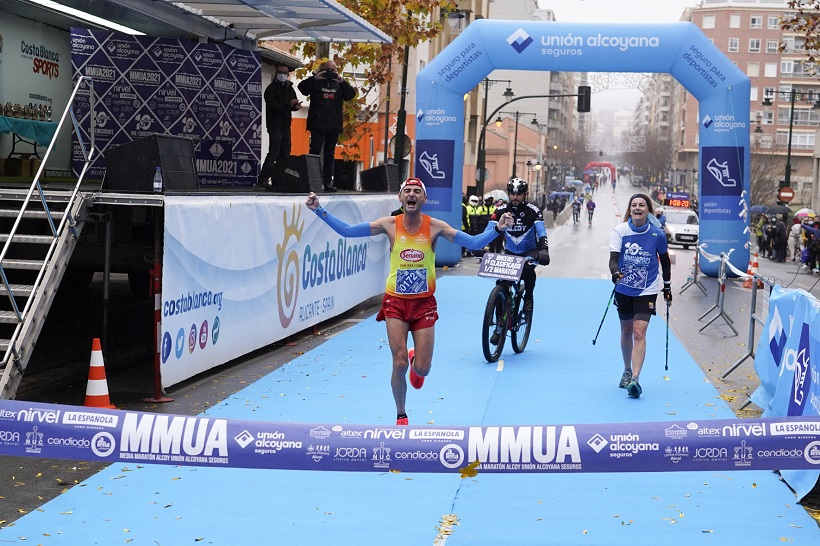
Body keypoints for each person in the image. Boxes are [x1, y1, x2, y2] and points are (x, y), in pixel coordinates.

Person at [305, 178, 513, 425]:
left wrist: (496, 229)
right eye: (407, 191)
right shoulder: (389, 225)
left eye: (417, 191)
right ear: (401, 198)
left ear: (424, 199)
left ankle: (417, 360)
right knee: (399, 361)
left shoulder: (435, 227)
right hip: (396, 303)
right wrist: (319, 210)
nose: (412, 194)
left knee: (422, 369)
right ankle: (401, 414)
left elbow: (474, 242)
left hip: (424, 304)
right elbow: (348, 231)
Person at [609, 193, 672, 399]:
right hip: (624, 288)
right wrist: (615, 273)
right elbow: (614, 259)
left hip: (648, 289)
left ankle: (635, 379)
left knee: (639, 332)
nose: (637, 208)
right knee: (626, 330)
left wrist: (667, 287)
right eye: (634, 205)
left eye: (642, 205)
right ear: (630, 209)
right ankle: (627, 370)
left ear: (648, 210)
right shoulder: (620, 231)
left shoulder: (657, 235)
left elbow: (664, 261)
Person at [487, 177, 550, 340]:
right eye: (512, 193)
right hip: (510, 252)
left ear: (525, 194)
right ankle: (499, 326)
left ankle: (528, 297)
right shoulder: (500, 210)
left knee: (528, 270)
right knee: (501, 284)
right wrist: (481, 248)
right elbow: (488, 230)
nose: (515, 197)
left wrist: (544, 249)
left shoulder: (533, 211)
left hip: (529, 251)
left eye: (519, 194)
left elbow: (541, 231)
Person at [297, 60, 356, 192]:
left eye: (333, 70)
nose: (330, 73)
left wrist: (341, 81)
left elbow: (351, 95)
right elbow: (302, 89)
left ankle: (327, 182)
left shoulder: (339, 84)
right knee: (315, 152)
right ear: (322, 70)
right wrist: (315, 78)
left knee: (330, 154)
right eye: (327, 70)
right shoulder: (316, 82)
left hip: (333, 125)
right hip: (317, 124)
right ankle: (312, 181)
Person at [258, 64, 302, 188]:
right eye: (280, 72)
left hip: (286, 124)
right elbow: (273, 106)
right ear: (276, 73)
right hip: (274, 124)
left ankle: (281, 179)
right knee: (274, 152)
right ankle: (263, 178)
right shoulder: (271, 89)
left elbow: (291, 104)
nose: (283, 75)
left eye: (285, 73)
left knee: (285, 152)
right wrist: (289, 104)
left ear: (288, 75)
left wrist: (295, 106)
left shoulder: (289, 88)